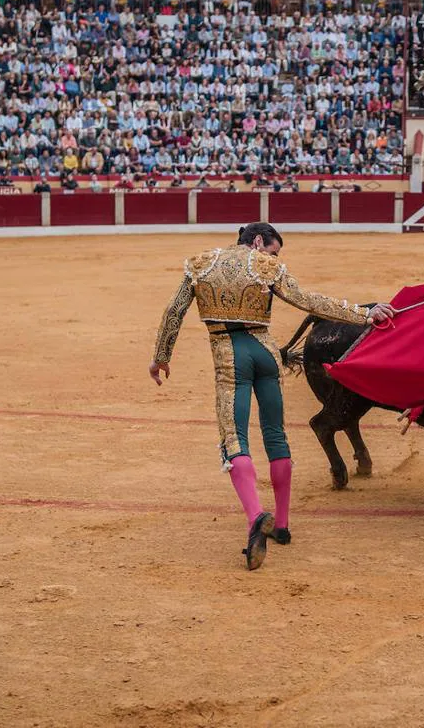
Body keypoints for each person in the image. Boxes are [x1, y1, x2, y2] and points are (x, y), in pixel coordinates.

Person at [149, 223, 394, 570]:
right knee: (276, 436)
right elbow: (308, 301)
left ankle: (255, 517)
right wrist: (363, 314)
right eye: (274, 250)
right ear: (259, 241)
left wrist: (161, 357)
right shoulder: (265, 266)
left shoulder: (200, 263)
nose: (274, 257)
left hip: (229, 353)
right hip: (266, 354)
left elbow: (174, 312)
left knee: (235, 438)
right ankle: (281, 525)